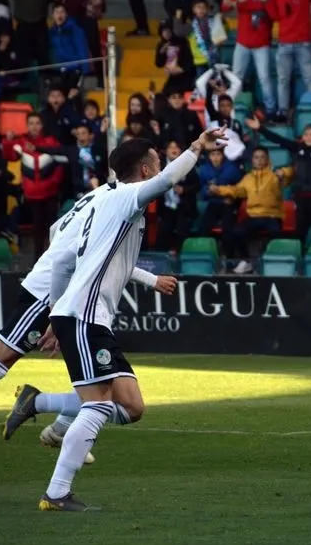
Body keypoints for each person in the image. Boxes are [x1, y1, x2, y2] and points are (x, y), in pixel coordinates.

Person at [0, 187, 179, 483]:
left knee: (104, 384)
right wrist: (55, 306)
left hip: (74, 297)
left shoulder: (96, 195)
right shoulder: (118, 201)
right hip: (50, 293)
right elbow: (79, 253)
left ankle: (54, 421)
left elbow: (58, 231)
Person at [33, 130, 225, 511]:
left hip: (84, 317)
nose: (160, 166)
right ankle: (56, 493)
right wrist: (196, 148)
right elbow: (169, 180)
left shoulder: (100, 206)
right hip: (86, 317)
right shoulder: (124, 198)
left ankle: (40, 408)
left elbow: (62, 260)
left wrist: (56, 313)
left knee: (132, 408)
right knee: (99, 406)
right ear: (144, 168)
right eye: (157, 159)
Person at [246, 117, 311, 243]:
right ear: (303, 137)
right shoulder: (297, 147)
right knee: (300, 230)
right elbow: (279, 140)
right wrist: (260, 128)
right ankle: (300, 256)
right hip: (301, 196)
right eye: (306, 134)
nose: (309, 137)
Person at [211, 146, 293, 273]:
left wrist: (285, 172)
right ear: (252, 160)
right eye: (256, 157)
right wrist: (219, 189)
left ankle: (269, 262)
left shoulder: (275, 175)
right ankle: (246, 261)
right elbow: (236, 191)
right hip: (253, 217)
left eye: (262, 157)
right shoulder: (247, 178)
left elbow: (290, 174)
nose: (259, 160)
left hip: (272, 216)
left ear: (267, 160)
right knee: (237, 232)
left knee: (276, 232)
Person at [1, 113, 64, 260]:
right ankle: (38, 261)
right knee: (38, 228)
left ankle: (55, 259)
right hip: (32, 195)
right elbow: (10, 156)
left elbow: (61, 164)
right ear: (27, 125)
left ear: (42, 125)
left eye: (37, 123)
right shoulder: (21, 143)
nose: (34, 126)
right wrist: (8, 142)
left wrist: (54, 182)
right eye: (31, 123)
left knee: (53, 227)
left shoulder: (51, 142)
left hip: (51, 192)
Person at [222, 0, 276, 118]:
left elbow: (275, 15)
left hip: (262, 44)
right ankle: (232, 107)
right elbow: (225, 7)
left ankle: (270, 109)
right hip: (243, 43)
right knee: (236, 77)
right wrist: (227, 2)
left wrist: (265, 2)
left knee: (264, 78)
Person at [267, 0, 311, 122]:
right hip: (284, 43)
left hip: (303, 42)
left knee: (309, 77)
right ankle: (282, 111)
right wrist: (267, 1)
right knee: (283, 79)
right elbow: (274, 17)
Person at [43, 122, 109, 198]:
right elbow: (53, 150)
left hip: (99, 189)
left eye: (83, 133)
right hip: (80, 191)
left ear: (91, 135)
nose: (81, 137)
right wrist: (35, 148)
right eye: (78, 134)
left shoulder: (98, 150)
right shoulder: (72, 151)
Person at [157, 140, 201, 252]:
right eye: (170, 147)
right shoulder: (159, 165)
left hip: (184, 207)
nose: (174, 149)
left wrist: (184, 189)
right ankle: (163, 259)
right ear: (165, 151)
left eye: (176, 146)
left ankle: (181, 258)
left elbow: (197, 185)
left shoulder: (187, 164)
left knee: (183, 229)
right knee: (163, 230)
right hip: (166, 206)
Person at [198, 144, 245, 237]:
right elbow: (202, 188)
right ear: (208, 156)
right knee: (203, 229)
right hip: (213, 203)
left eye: (218, 154)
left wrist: (233, 200)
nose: (215, 158)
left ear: (223, 155)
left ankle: (228, 251)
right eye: (212, 155)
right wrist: (208, 191)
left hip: (228, 203)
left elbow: (240, 189)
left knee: (228, 230)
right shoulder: (204, 169)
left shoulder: (232, 168)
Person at [48, 3, 92, 93]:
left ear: (66, 14)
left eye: (62, 12)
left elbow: (82, 50)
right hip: (60, 70)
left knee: (72, 96)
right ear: (53, 15)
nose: (60, 15)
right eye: (57, 12)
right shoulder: (52, 32)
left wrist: (85, 72)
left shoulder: (75, 29)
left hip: (74, 69)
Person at [155, 19, 196, 96]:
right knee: (165, 93)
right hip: (173, 76)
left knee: (182, 92)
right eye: (163, 31)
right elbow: (158, 64)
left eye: (168, 31)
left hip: (186, 75)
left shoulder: (182, 41)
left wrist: (181, 69)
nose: (166, 34)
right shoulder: (161, 44)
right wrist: (161, 53)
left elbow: (190, 61)